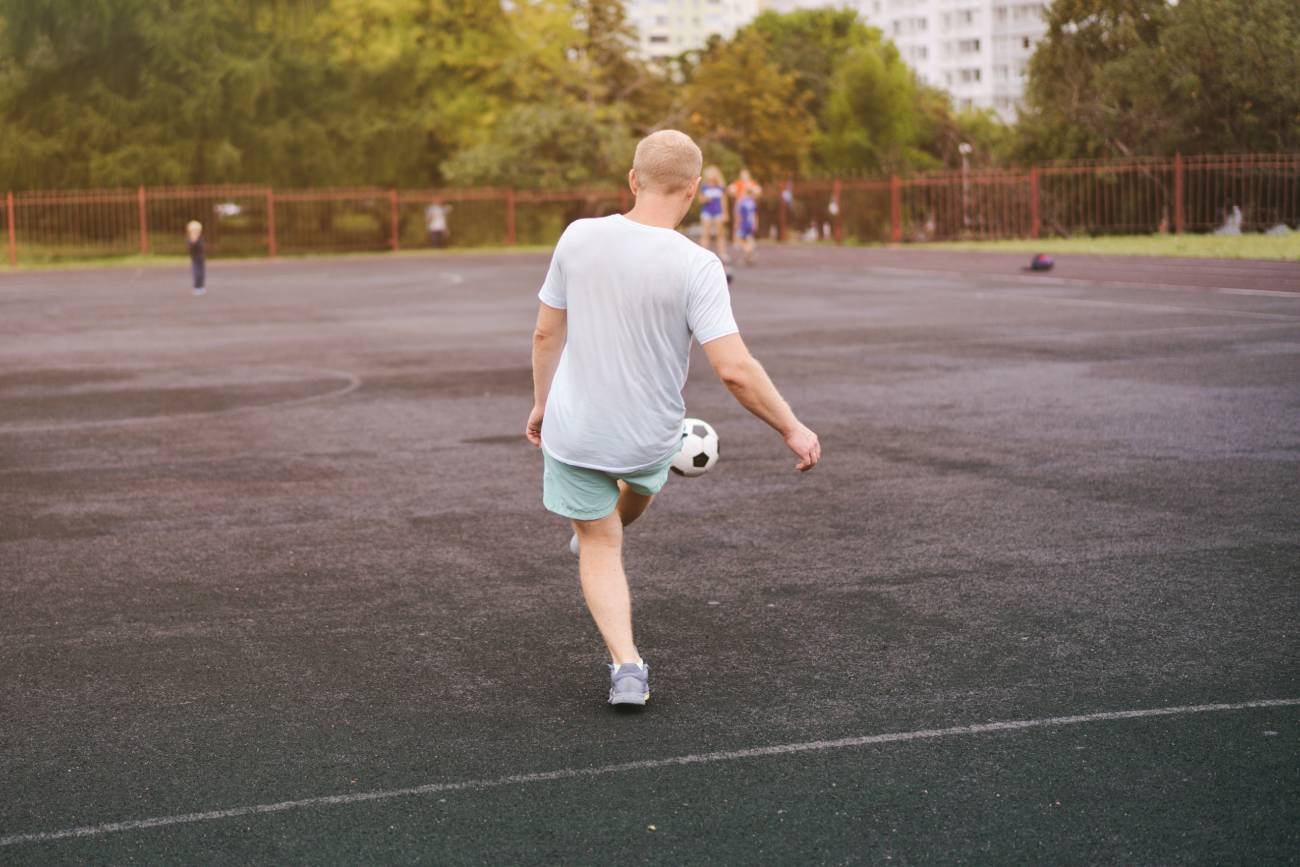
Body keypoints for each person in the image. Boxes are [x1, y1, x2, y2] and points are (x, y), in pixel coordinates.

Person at [525, 130, 821, 707]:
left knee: (600, 543)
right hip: (650, 438)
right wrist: (791, 427)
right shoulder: (698, 264)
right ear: (694, 190)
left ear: (633, 181)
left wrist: (541, 403)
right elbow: (734, 369)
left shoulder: (578, 237)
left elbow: (544, 333)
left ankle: (627, 667)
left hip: (576, 431)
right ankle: (602, 533)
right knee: (631, 493)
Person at [697, 165, 728, 261]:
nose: (711, 176)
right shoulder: (704, 187)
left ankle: (722, 254)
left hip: (718, 212)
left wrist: (725, 213)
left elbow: (724, 201)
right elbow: (700, 200)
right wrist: (705, 199)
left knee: (720, 234)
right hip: (707, 212)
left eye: (713, 174)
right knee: (705, 233)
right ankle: (702, 255)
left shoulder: (720, 187)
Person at [735, 186, 759, 265]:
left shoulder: (742, 202)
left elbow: (739, 215)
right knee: (749, 239)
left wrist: (737, 224)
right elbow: (755, 215)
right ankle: (748, 257)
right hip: (750, 224)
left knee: (739, 239)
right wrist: (755, 224)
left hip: (743, 224)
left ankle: (748, 250)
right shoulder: (752, 203)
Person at [186, 221, 206, 296]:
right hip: (196, 258)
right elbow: (190, 248)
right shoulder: (191, 239)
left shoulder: (199, 238)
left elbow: (201, 247)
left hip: (200, 258)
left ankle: (200, 286)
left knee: (200, 272)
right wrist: (193, 241)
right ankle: (197, 287)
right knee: (197, 272)